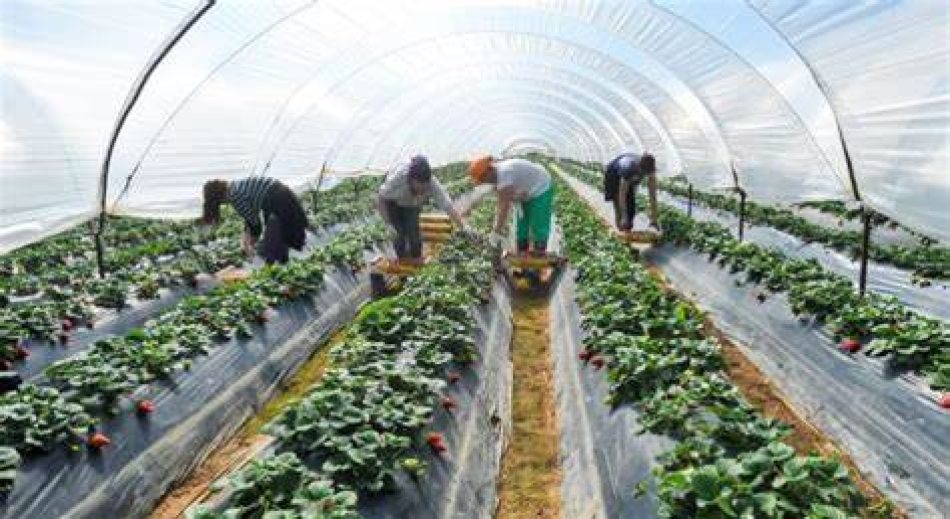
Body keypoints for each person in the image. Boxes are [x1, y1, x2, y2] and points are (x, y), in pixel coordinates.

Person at [376, 155, 469, 261]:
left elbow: (448, 206)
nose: (423, 190)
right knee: (399, 235)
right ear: (411, 179)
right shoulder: (397, 180)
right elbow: (381, 198)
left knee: (414, 233)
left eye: (426, 187)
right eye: (421, 186)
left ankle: (417, 261)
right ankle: (403, 264)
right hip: (392, 202)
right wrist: (388, 223)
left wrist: (464, 227)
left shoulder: (432, 184)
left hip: (411, 204)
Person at [201, 176, 310, 264]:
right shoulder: (233, 186)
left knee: (276, 238)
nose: (223, 205)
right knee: (279, 234)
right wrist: (246, 240)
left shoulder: (234, 197)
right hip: (280, 191)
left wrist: (249, 246)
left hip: (277, 199)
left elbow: (255, 225)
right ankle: (281, 261)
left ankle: (276, 265)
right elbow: (249, 217)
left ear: (218, 198)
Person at [469, 155, 554, 255]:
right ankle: (522, 252)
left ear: (488, 171)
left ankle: (539, 254)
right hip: (524, 191)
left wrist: (496, 232)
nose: (484, 182)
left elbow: (504, 207)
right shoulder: (495, 175)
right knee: (522, 224)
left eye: (483, 179)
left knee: (539, 222)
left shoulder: (504, 173)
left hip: (540, 186)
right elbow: (499, 198)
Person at [603, 152, 660, 231]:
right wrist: (624, 216)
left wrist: (654, 218)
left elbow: (653, 195)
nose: (645, 175)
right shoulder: (628, 167)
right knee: (618, 206)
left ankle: (627, 230)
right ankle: (621, 232)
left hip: (629, 176)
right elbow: (622, 195)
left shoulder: (650, 171)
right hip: (613, 176)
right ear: (640, 168)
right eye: (644, 172)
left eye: (647, 173)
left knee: (631, 209)